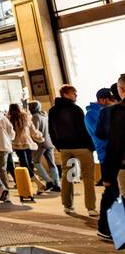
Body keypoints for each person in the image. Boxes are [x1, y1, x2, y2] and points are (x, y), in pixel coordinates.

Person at [48, 84, 98, 217]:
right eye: (74, 93)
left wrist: (58, 145)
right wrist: (91, 146)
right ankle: (91, 207)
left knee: (67, 176)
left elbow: (51, 131)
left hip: (65, 148)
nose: (76, 95)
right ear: (65, 94)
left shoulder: (53, 111)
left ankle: (67, 205)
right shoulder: (76, 110)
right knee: (88, 177)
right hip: (81, 147)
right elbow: (83, 129)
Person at [97, 74, 125, 241]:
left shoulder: (115, 112)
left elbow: (113, 143)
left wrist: (107, 174)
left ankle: (113, 231)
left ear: (121, 90)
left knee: (117, 196)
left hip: (121, 164)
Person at [9, 103, 44, 193]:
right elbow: (33, 130)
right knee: (28, 164)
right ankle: (34, 186)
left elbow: (8, 134)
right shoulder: (26, 117)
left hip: (17, 145)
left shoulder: (9, 119)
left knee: (25, 165)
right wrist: (40, 137)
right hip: (28, 144)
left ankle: (38, 183)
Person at [29, 100, 60, 193]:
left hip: (40, 143)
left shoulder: (35, 116)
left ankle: (48, 180)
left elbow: (35, 131)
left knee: (36, 162)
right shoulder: (45, 115)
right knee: (52, 164)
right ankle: (57, 184)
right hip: (49, 142)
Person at [85, 87, 117, 171]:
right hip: (105, 155)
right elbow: (101, 134)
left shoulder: (109, 111)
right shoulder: (91, 114)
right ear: (102, 100)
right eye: (111, 100)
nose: (114, 102)